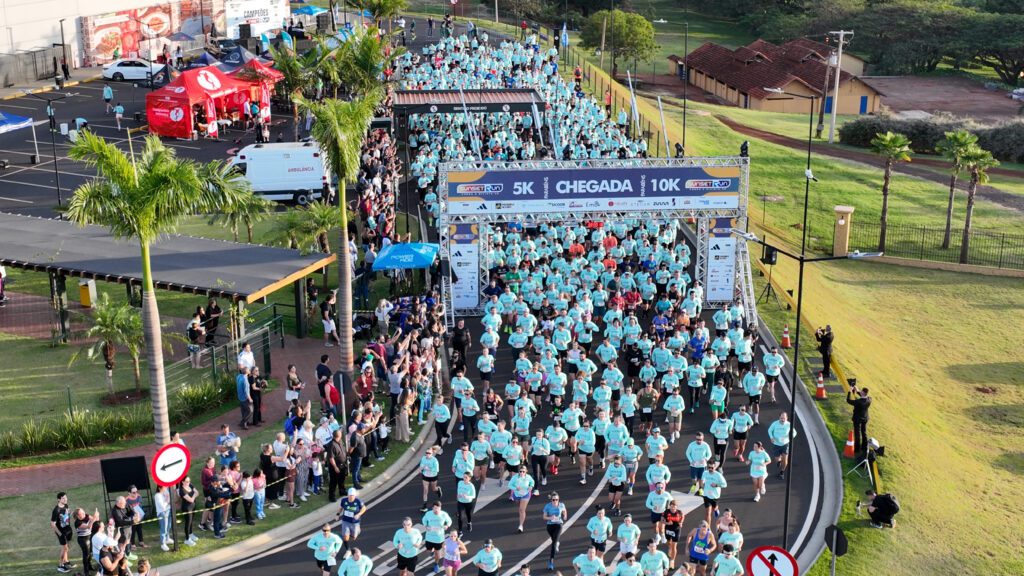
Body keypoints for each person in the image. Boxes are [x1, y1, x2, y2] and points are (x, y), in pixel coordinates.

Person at [422, 500, 453, 573]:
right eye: (435, 508)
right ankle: (432, 550)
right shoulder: (428, 514)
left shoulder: (444, 514)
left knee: (438, 554)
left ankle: (436, 564)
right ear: (432, 508)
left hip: (439, 539)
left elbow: (449, 521)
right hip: (429, 537)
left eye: (438, 508)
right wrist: (426, 526)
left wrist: (447, 526)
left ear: (440, 508)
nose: (436, 510)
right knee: (428, 551)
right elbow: (424, 520)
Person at [543, 492, 567, 569]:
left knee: (553, 543)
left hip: (559, 524)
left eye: (557, 499)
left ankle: (551, 561)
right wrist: (550, 518)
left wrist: (565, 516)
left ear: (558, 499)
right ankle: (557, 542)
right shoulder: (547, 506)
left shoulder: (561, 505)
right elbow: (544, 517)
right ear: (551, 500)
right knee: (554, 539)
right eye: (553, 500)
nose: (555, 501)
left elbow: (564, 511)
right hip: (550, 525)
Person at [767, 413, 795, 480]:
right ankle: (779, 461)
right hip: (776, 444)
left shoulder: (789, 424)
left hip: (785, 444)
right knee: (777, 459)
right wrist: (771, 437)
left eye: (784, 418)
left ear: (786, 418)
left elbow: (794, 432)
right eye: (781, 418)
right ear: (779, 417)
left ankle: (782, 472)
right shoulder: (775, 423)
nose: (782, 420)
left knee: (785, 459)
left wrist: (790, 437)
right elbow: (769, 430)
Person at [51, 492, 74, 573]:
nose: (66, 499)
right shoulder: (56, 510)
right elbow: (52, 524)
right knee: (64, 548)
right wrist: (60, 534)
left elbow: (66, 517)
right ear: (58, 500)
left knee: (67, 547)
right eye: (63, 498)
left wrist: (69, 513)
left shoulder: (66, 505)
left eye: (66, 498)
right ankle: (60, 566)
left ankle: (66, 562)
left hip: (67, 529)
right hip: (61, 532)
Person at [508, 466, 535, 533]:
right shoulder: (515, 477)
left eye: (523, 471)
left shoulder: (528, 477)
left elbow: (532, 482)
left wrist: (531, 486)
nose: (522, 473)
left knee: (521, 510)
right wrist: (515, 488)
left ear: (526, 471)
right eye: (520, 471)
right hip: (517, 495)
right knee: (519, 505)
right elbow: (509, 485)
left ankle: (520, 526)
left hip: (526, 494)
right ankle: (521, 513)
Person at [847, 383, 872, 455]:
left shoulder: (858, 402)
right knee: (864, 431)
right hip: (865, 418)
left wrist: (850, 391)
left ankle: (857, 449)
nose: (860, 391)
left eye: (861, 391)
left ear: (863, 393)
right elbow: (863, 397)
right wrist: (857, 390)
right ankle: (864, 446)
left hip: (857, 419)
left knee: (857, 433)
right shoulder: (869, 399)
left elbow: (848, 400)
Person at [700, 462, 727, 526]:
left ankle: (716, 509)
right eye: (709, 467)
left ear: (715, 467)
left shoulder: (718, 475)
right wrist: (702, 486)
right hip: (706, 495)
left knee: (714, 509)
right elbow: (702, 480)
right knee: (708, 513)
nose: (710, 469)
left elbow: (725, 485)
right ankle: (708, 528)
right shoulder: (705, 473)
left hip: (715, 496)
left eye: (712, 468)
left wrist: (716, 485)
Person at [327, 429, 349, 501]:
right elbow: (331, 458)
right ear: (339, 436)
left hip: (343, 465)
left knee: (341, 479)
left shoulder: (340, 441)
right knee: (333, 482)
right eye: (340, 434)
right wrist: (335, 467)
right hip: (335, 467)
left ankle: (342, 491)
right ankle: (331, 496)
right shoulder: (331, 444)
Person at [662, 500, 684, 570]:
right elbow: (661, 520)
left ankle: (672, 560)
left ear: (676, 507)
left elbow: (683, 516)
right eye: (671, 507)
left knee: (674, 546)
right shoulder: (666, 512)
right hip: (668, 529)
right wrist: (667, 523)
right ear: (669, 506)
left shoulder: (679, 512)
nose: (673, 509)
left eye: (674, 507)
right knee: (669, 543)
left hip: (676, 530)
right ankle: (669, 548)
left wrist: (681, 523)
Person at [178, 476, 198, 545]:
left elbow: (197, 492)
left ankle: (191, 534)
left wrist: (194, 495)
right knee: (188, 523)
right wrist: (194, 495)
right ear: (182, 482)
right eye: (186, 481)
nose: (188, 483)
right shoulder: (182, 490)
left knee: (191, 521)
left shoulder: (190, 485)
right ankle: (187, 539)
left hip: (193, 507)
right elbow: (191, 500)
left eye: (189, 481)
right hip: (187, 508)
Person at [153, 485, 172, 551]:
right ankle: (163, 544)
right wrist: (167, 500)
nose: (166, 488)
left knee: (168, 526)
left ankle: (167, 539)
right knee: (163, 528)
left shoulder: (164, 492)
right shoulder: (157, 495)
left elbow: (169, 500)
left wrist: (168, 499)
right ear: (159, 488)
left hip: (168, 510)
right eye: (164, 487)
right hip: (162, 513)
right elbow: (162, 506)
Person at [236, 365, 253, 429]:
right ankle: (243, 423)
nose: (249, 371)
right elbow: (246, 392)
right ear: (247, 372)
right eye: (249, 370)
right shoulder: (245, 380)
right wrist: (250, 399)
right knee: (250, 411)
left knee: (243, 411)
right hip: (245, 398)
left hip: (240, 397)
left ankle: (245, 423)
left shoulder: (238, 376)